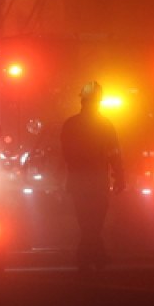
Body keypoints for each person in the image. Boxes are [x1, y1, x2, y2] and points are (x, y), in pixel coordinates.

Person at [59, 81, 124, 272]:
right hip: (96, 180)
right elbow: (114, 152)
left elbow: (65, 154)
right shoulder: (104, 124)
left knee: (87, 221)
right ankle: (93, 256)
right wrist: (119, 175)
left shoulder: (71, 124)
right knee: (94, 222)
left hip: (80, 181)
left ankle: (91, 257)